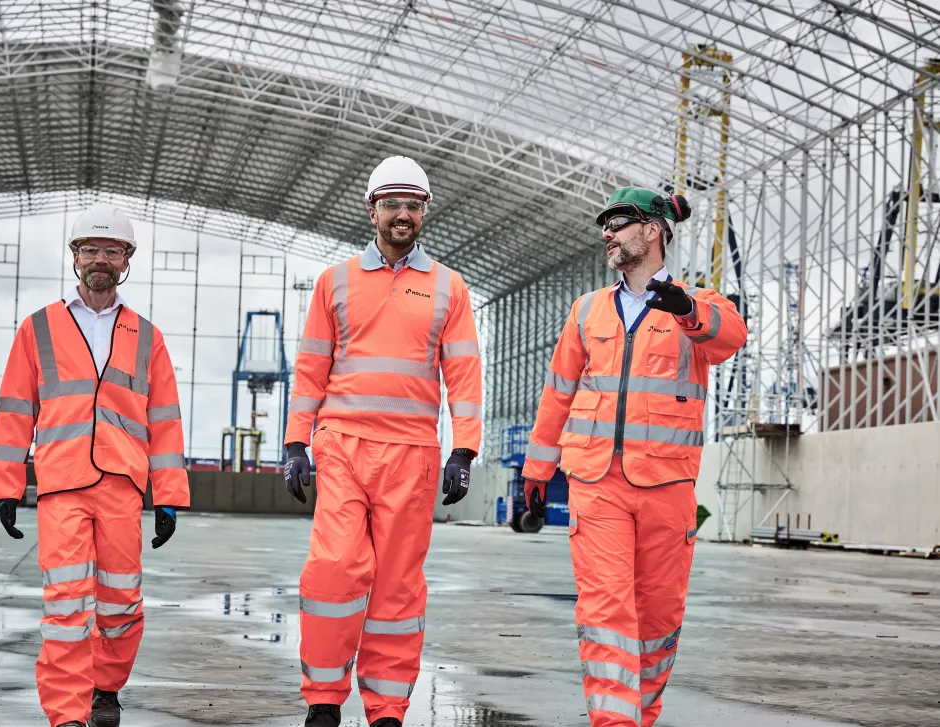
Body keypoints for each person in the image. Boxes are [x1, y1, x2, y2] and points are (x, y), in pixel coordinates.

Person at [521, 187, 747, 727]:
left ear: (652, 231)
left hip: (668, 488)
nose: (607, 233)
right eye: (604, 224)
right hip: (596, 484)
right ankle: (614, 722)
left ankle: (641, 716)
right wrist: (536, 468)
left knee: (659, 616)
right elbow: (558, 394)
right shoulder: (587, 311)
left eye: (618, 222)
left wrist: (688, 310)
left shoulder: (700, 305)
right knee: (605, 613)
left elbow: (730, 337)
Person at [282, 156, 482, 727]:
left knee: (397, 586)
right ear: (371, 210)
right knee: (334, 570)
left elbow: (464, 371)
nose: (403, 215)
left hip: (413, 455)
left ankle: (388, 709)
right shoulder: (335, 281)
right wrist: (297, 443)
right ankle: (323, 700)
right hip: (342, 446)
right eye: (392, 204)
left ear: (424, 213)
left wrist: (463, 449)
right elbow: (311, 368)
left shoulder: (449, 287)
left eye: (413, 206)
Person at [0, 203, 190, 727]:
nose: (102, 259)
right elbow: (14, 411)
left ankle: (106, 687)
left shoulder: (148, 337)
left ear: (127, 260)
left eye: (113, 250)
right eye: (92, 249)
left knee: (121, 602)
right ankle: (67, 714)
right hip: (61, 484)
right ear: (75, 256)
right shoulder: (38, 329)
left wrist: (168, 495)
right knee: (66, 604)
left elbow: (164, 422)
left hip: (122, 486)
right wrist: (6, 486)